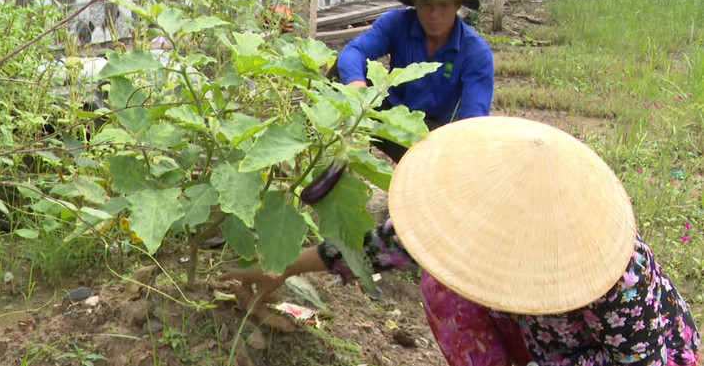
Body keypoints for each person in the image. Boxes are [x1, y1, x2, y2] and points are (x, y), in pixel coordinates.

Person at [223, 116, 700, 366]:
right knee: (442, 283)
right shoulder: (472, 222)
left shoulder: (613, 272)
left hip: (621, 358)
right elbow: (378, 248)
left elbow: (644, 361)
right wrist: (280, 266)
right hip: (543, 339)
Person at [331, 0, 494, 162]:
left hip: (436, 136)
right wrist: (357, 85)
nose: (434, 15)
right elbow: (353, 52)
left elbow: (473, 122)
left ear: (457, 5)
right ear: (414, 2)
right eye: (426, 4)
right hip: (391, 118)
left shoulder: (476, 52)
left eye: (443, 5)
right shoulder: (396, 23)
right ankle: (316, 153)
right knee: (337, 75)